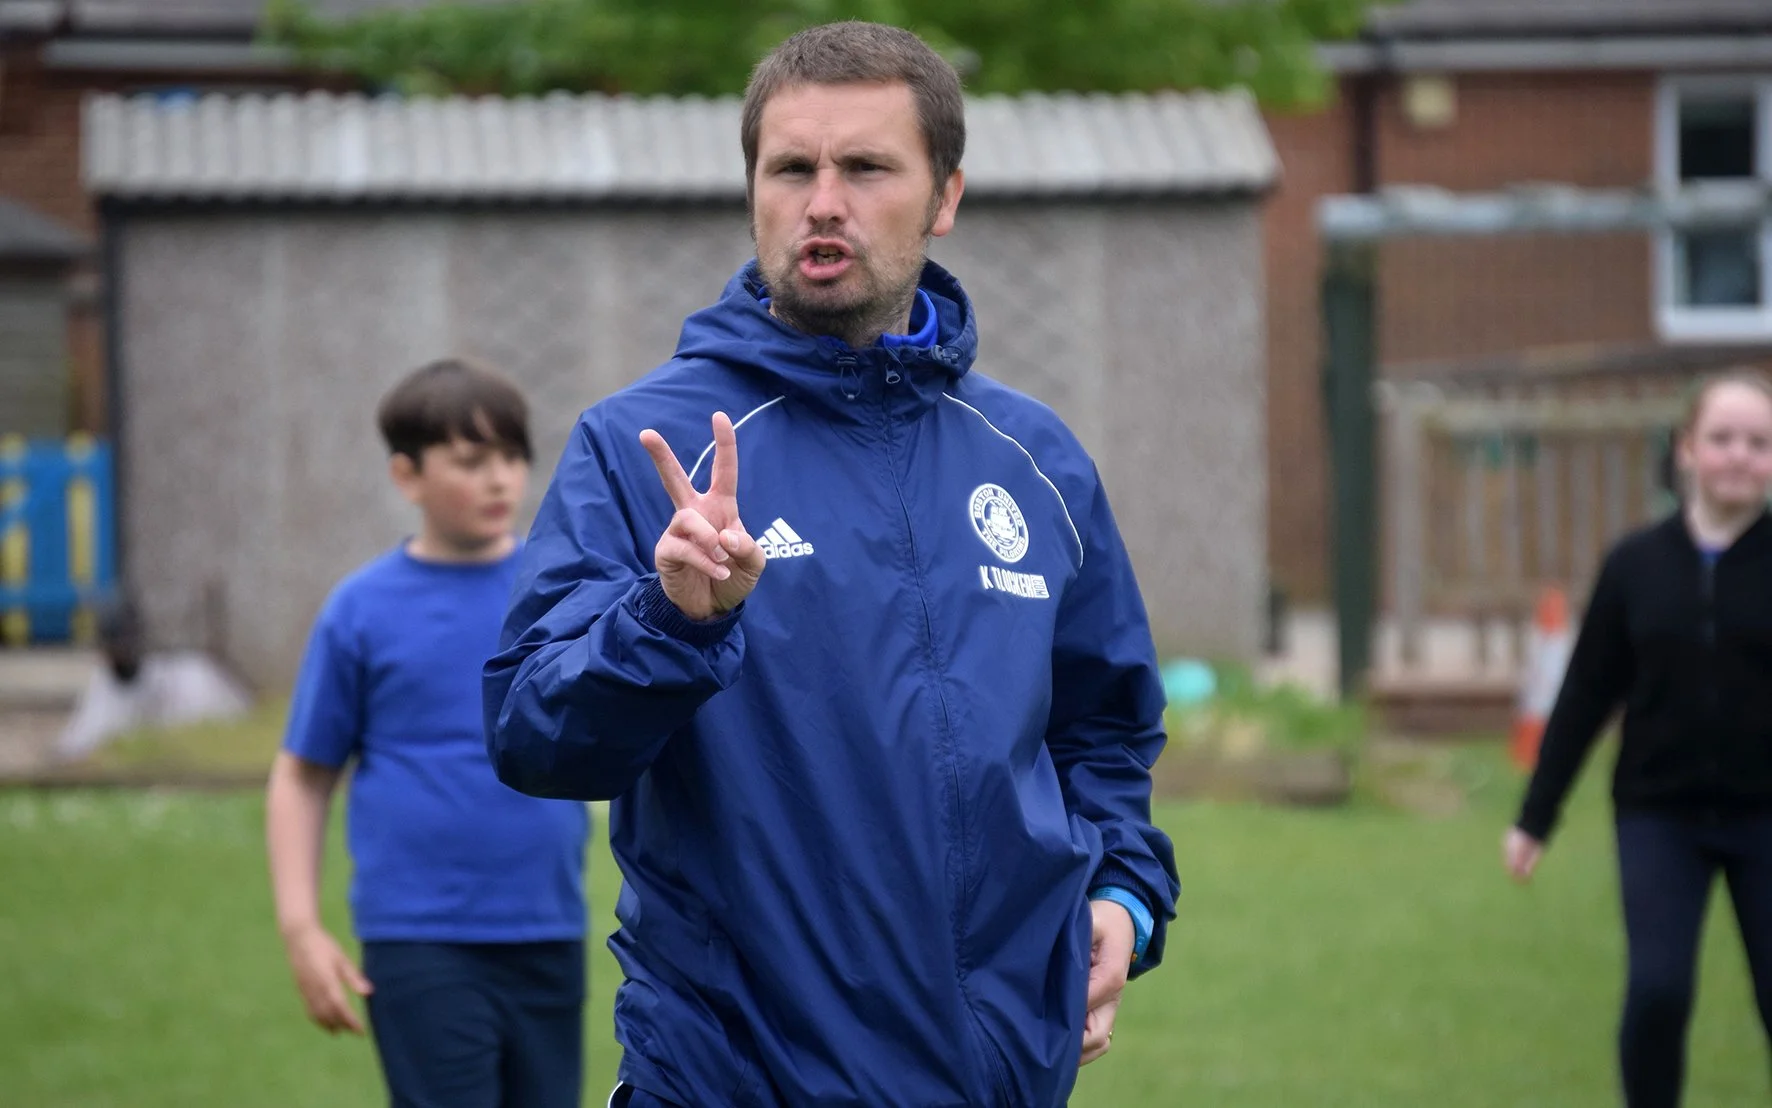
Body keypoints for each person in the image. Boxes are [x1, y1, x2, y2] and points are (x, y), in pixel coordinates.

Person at [484, 21, 1178, 1108]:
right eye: (790, 169)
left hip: (997, 1079)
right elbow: (534, 736)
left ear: (944, 196)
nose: (822, 203)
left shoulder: (1034, 459)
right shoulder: (643, 447)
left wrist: (1122, 891)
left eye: (864, 168)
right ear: (752, 191)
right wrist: (669, 625)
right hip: (732, 1079)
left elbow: (1103, 727)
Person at [267, 358, 590, 1108]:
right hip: (420, 938)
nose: (500, 480)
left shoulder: (559, 593)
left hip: (549, 925)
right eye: (471, 461)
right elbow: (303, 776)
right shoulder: (361, 609)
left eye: (512, 456)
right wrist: (300, 927)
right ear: (406, 476)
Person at [1504, 369, 1772, 1108]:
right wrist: (1535, 817)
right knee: (1659, 990)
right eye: (1722, 438)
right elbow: (1586, 693)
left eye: (1758, 443)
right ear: (1686, 449)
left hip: (1764, 815)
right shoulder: (1636, 565)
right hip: (1661, 816)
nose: (1739, 455)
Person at [54, 594, 253, 762]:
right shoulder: (103, 686)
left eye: (127, 642)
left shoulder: (194, 676)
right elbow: (75, 743)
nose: (122, 651)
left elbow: (241, 730)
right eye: (114, 646)